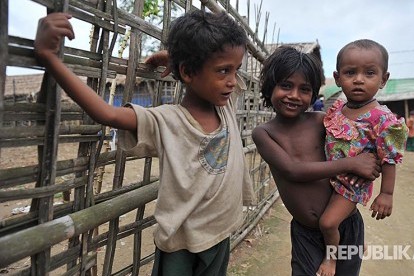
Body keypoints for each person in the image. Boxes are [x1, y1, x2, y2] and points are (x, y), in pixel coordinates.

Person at [34, 10, 256, 276]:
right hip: (180, 243)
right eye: (223, 71)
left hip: (220, 231)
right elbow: (107, 113)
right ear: (187, 72)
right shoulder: (166, 121)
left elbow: (208, 67)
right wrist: (49, 57)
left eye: (236, 70)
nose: (232, 80)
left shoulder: (226, 103)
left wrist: (174, 59)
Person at [252, 46, 382, 276]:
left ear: (313, 94)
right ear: (269, 86)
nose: (294, 95)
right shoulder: (264, 133)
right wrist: (351, 164)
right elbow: (292, 170)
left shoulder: (322, 121)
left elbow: (357, 145)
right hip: (306, 232)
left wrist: (370, 161)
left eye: (304, 89)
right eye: (285, 85)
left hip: (345, 224)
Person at [318, 39, 408, 276]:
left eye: (369, 73)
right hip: (330, 175)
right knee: (334, 218)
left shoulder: (383, 120)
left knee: (328, 223)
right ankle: (354, 244)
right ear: (337, 78)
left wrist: (386, 193)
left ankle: (331, 259)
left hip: (350, 185)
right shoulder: (337, 108)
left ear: (383, 79)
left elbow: (389, 159)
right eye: (350, 72)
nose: (359, 79)